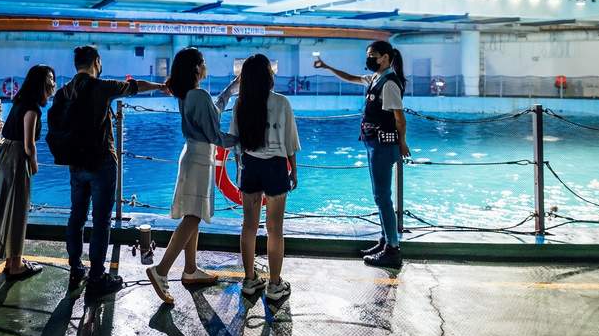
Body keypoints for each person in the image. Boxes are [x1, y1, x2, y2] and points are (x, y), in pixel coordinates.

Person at [54, 45, 166, 299]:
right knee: (101, 220)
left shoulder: (64, 92)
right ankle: (96, 278)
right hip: (102, 162)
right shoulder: (102, 87)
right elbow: (134, 86)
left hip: (75, 163)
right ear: (96, 61)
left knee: (76, 216)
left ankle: (75, 269)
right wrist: (160, 87)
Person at [145, 47, 239, 304]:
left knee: (192, 214)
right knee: (193, 217)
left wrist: (232, 88)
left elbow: (213, 111)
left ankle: (190, 269)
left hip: (193, 155)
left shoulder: (189, 95)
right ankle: (161, 270)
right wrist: (243, 139)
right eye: (204, 62)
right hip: (200, 159)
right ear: (197, 68)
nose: (206, 66)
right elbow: (215, 135)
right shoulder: (198, 95)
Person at [314, 40, 411, 268]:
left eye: (373, 55)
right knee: (380, 196)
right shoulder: (375, 79)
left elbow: (399, 118)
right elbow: (349, 78)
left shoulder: (389, 84)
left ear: (386, 57)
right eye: (368, 55)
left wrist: (403, 143)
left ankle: (393, 250)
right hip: (373, 144)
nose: (369, 59)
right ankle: (386, 239)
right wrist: (327, 67)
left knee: (382, 197)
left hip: (384, 146)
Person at [229, 54, 299, 304]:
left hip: (250, 165)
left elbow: (235, 142)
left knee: (248, 226)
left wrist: (241, 170)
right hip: (275, 167)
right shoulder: (282, 103)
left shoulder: (240, 103)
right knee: (274, 229)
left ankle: (249, 280)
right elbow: (290, 143)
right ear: (268, 76)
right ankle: (275, 284)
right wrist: (294, 170)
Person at [0, 64, 56, 279]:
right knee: (18, 210)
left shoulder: (19, 103)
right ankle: (16, 265)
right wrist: (35, 164)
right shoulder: (32, 109)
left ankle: (12, 260)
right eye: (49, 79)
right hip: (17, 159)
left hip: (5, 155)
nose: (52, 83)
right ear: (40, 83)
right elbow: (29, 144)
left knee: (8, 208)